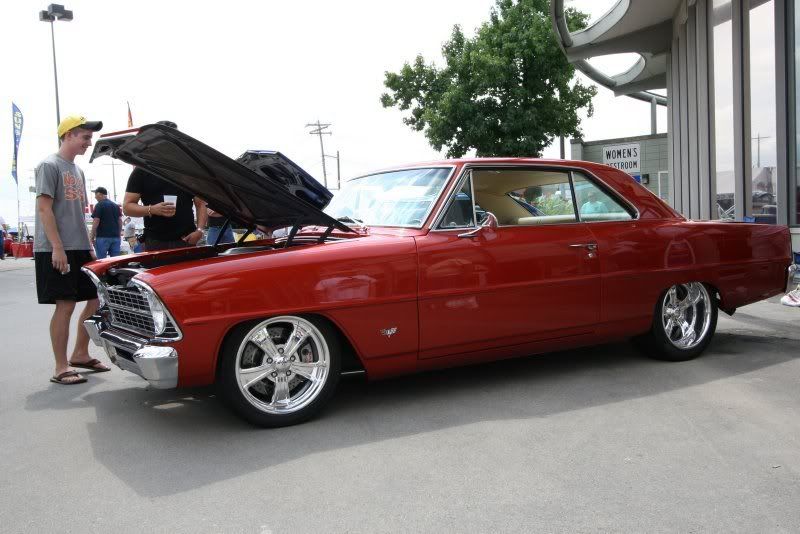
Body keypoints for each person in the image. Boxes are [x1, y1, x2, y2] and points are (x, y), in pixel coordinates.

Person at [34, 115, 111, 385]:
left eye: (90, 138)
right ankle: (60, 366)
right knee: (65, 304)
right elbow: (44, 209)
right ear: (68, 135)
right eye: (85, 137)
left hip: (79, 247)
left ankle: (80, 353)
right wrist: (57, 247)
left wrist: (89, 246)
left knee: (94, 298)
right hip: (55, 248)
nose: (89, 143)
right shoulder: (49, 165)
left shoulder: (78, 171)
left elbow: (79, 213)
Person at [122, 121, 207, 251]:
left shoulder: (188, 169)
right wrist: (152, 209)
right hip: (155, 241)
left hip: (187, 239)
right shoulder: (142, 170)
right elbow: (127, 207)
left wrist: (200, 230)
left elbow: (201, 204)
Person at [89, 186, 122, 258]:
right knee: (115, 260)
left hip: (102, 237)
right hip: (115, 237)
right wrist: (119, 233)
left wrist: (91, 236)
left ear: (100, 194)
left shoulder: (99, 205)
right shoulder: (115, 206)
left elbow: (96, 220)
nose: (95, 197)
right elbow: (120, 220)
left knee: (101, 261)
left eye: (96, 194)